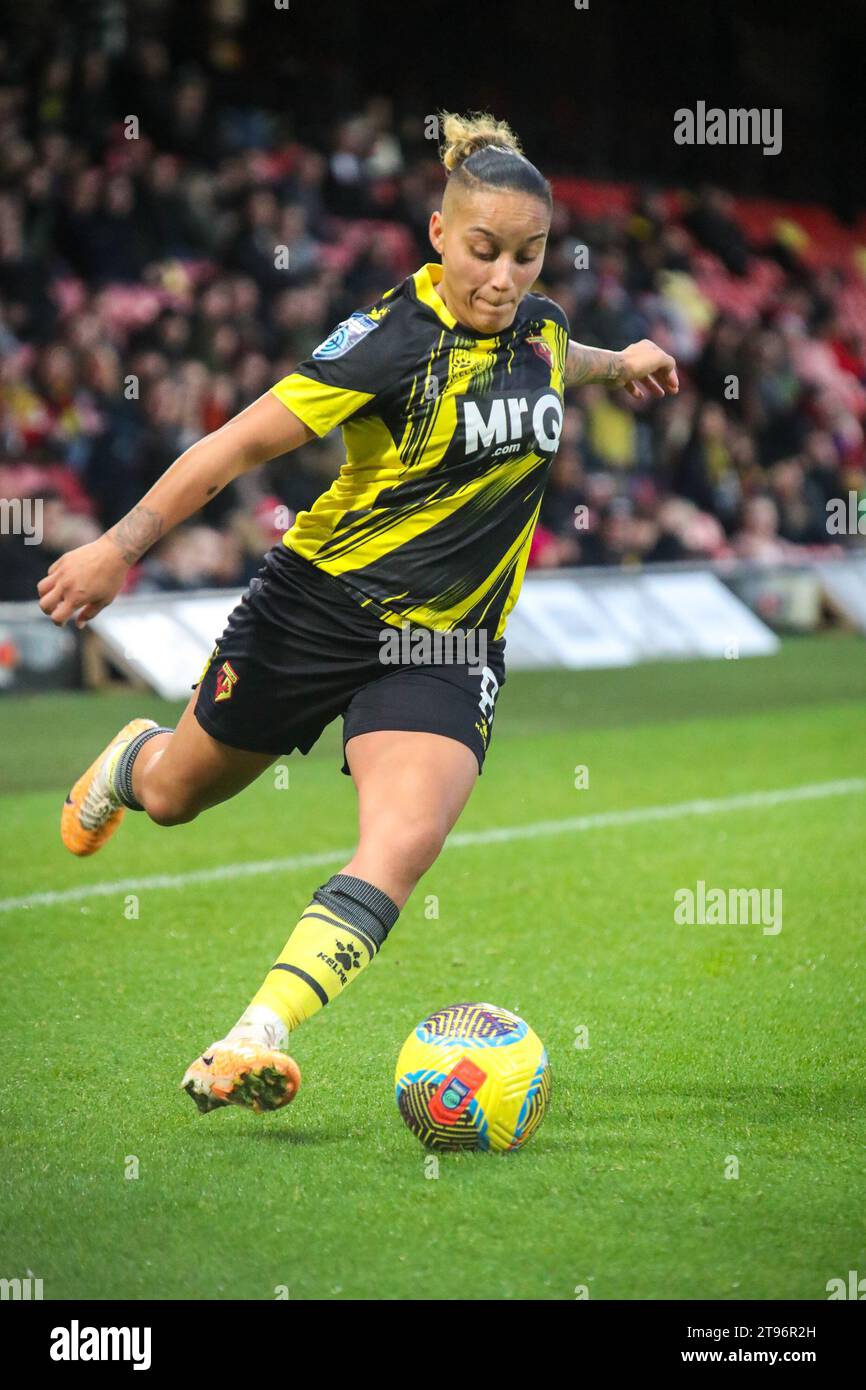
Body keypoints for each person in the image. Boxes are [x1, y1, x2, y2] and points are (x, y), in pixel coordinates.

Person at [38, 111, 678, 1115]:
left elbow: (564, 354)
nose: (503, 278)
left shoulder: (542, 329)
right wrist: (118, 547)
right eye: (481, 252)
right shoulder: (385, 343)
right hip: (315, 609)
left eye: (525, 255)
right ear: (436, 233)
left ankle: (253, 1034)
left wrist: (623, 356)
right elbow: (234, 448)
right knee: (173, 796)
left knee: (400, 843)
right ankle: (131, 757)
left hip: (446, 644)